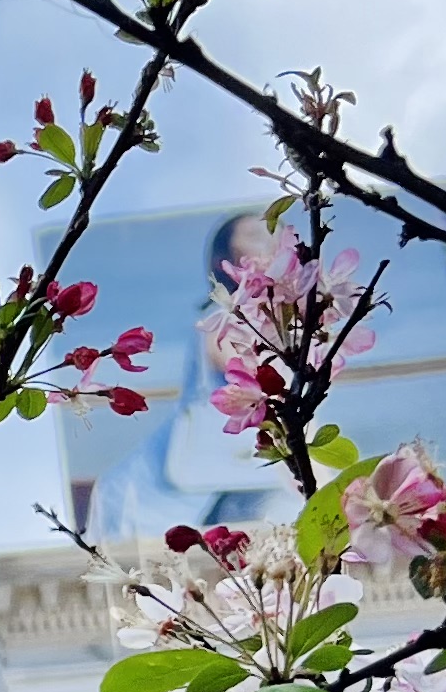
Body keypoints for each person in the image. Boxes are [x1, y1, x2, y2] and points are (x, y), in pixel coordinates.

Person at [90, 210, 303, 542]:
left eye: (274, 237)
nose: (268, 245)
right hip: (218, 447)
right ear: (224, 261)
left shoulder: (290, 321)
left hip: (256, 452)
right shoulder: (221, 320)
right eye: (254, 236)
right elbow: (248, 371)